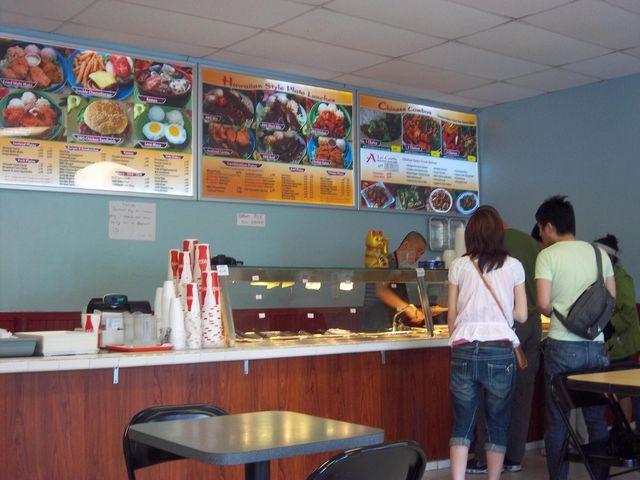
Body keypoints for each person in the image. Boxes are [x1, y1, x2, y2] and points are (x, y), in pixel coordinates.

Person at [535, 196, 616, 480]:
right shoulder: (599, 254)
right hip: (595, 347)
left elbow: (543, 303)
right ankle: (599, 476)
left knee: (559, 420)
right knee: (595, 416)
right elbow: (611, 299)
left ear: (549, 226)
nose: (540, 234)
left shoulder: (547, 256)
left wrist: (562, 313)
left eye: (540, 228)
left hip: (562, 346)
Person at [448, 206, 528, 480]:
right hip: (499, 351)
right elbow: (522, 315)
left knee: (462, 423)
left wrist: (456, 338)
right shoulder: (514, 266)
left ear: (470, 234)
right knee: (497, 423)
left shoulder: (459, 265)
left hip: (464, 348)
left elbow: (451, 315)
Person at [467, 220, 541, 474]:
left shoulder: (491, 244)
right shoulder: (533, 243)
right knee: (522, 393)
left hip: (506, 323)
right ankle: (515, 457)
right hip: (533, 323)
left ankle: (483, 458)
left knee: (491, 393)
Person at [594, 234, 640, 422]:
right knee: (616, 389)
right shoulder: (603, 277)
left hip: (622, 344)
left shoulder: (621, 278)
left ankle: (626, 428)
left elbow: (628, 312)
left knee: (623, 390)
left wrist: (610, 326)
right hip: (611, 342)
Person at [363, 231, 427, 331]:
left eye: (421, 254)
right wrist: (408, 308)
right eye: (417, 251)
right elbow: (381, 291)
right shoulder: (385, 262)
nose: (418, 256)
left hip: (390, 324)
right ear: (406, 245)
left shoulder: (400, 268)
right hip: (376, 323)